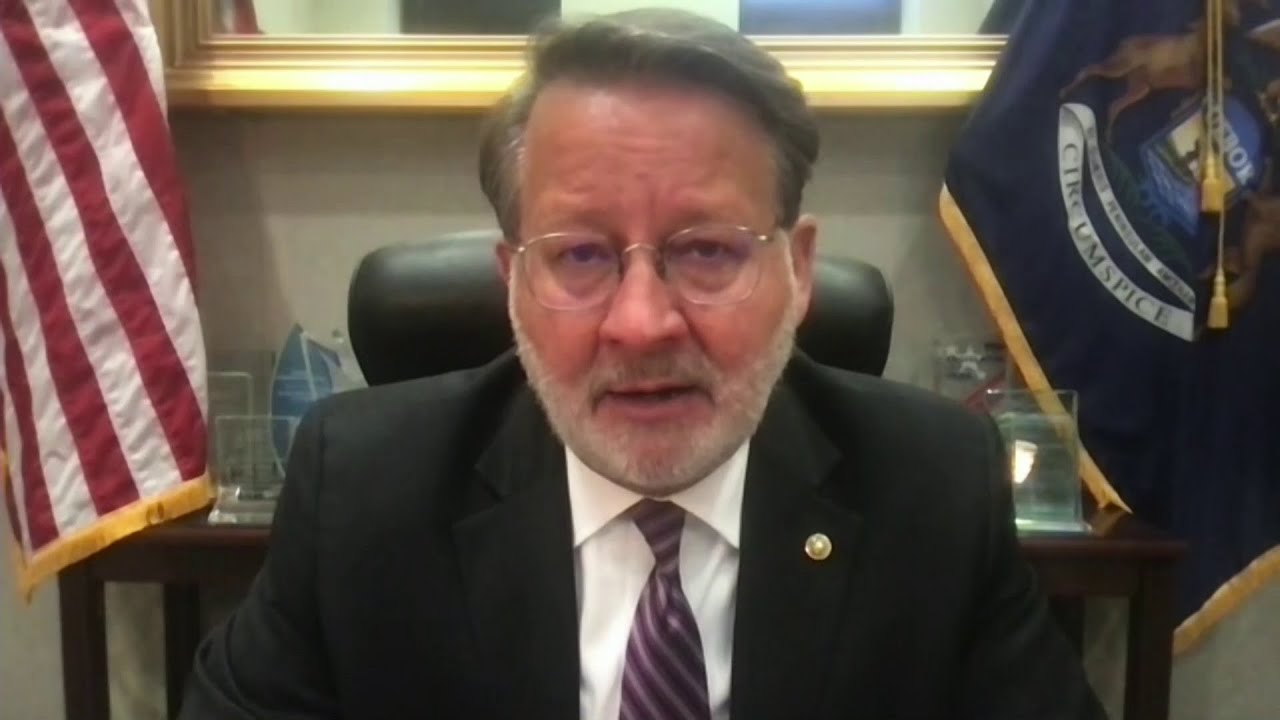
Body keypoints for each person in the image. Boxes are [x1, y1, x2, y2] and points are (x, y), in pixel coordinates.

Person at [179, 8, 1107, 720]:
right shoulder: (362, 493)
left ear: (797, 274)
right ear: (513, 285)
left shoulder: (932, 490)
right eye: (581, 255)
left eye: (707, 251)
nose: (641, 323)